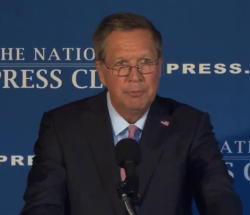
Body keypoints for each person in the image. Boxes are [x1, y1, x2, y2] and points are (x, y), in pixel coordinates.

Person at [19, 12, 243, 215]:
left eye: (145, 62)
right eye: (121, 64)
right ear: (101, 71)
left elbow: (218, 196)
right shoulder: (62, 127)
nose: (135, 76)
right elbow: (42, 206)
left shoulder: (190, 125)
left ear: (160, 66)